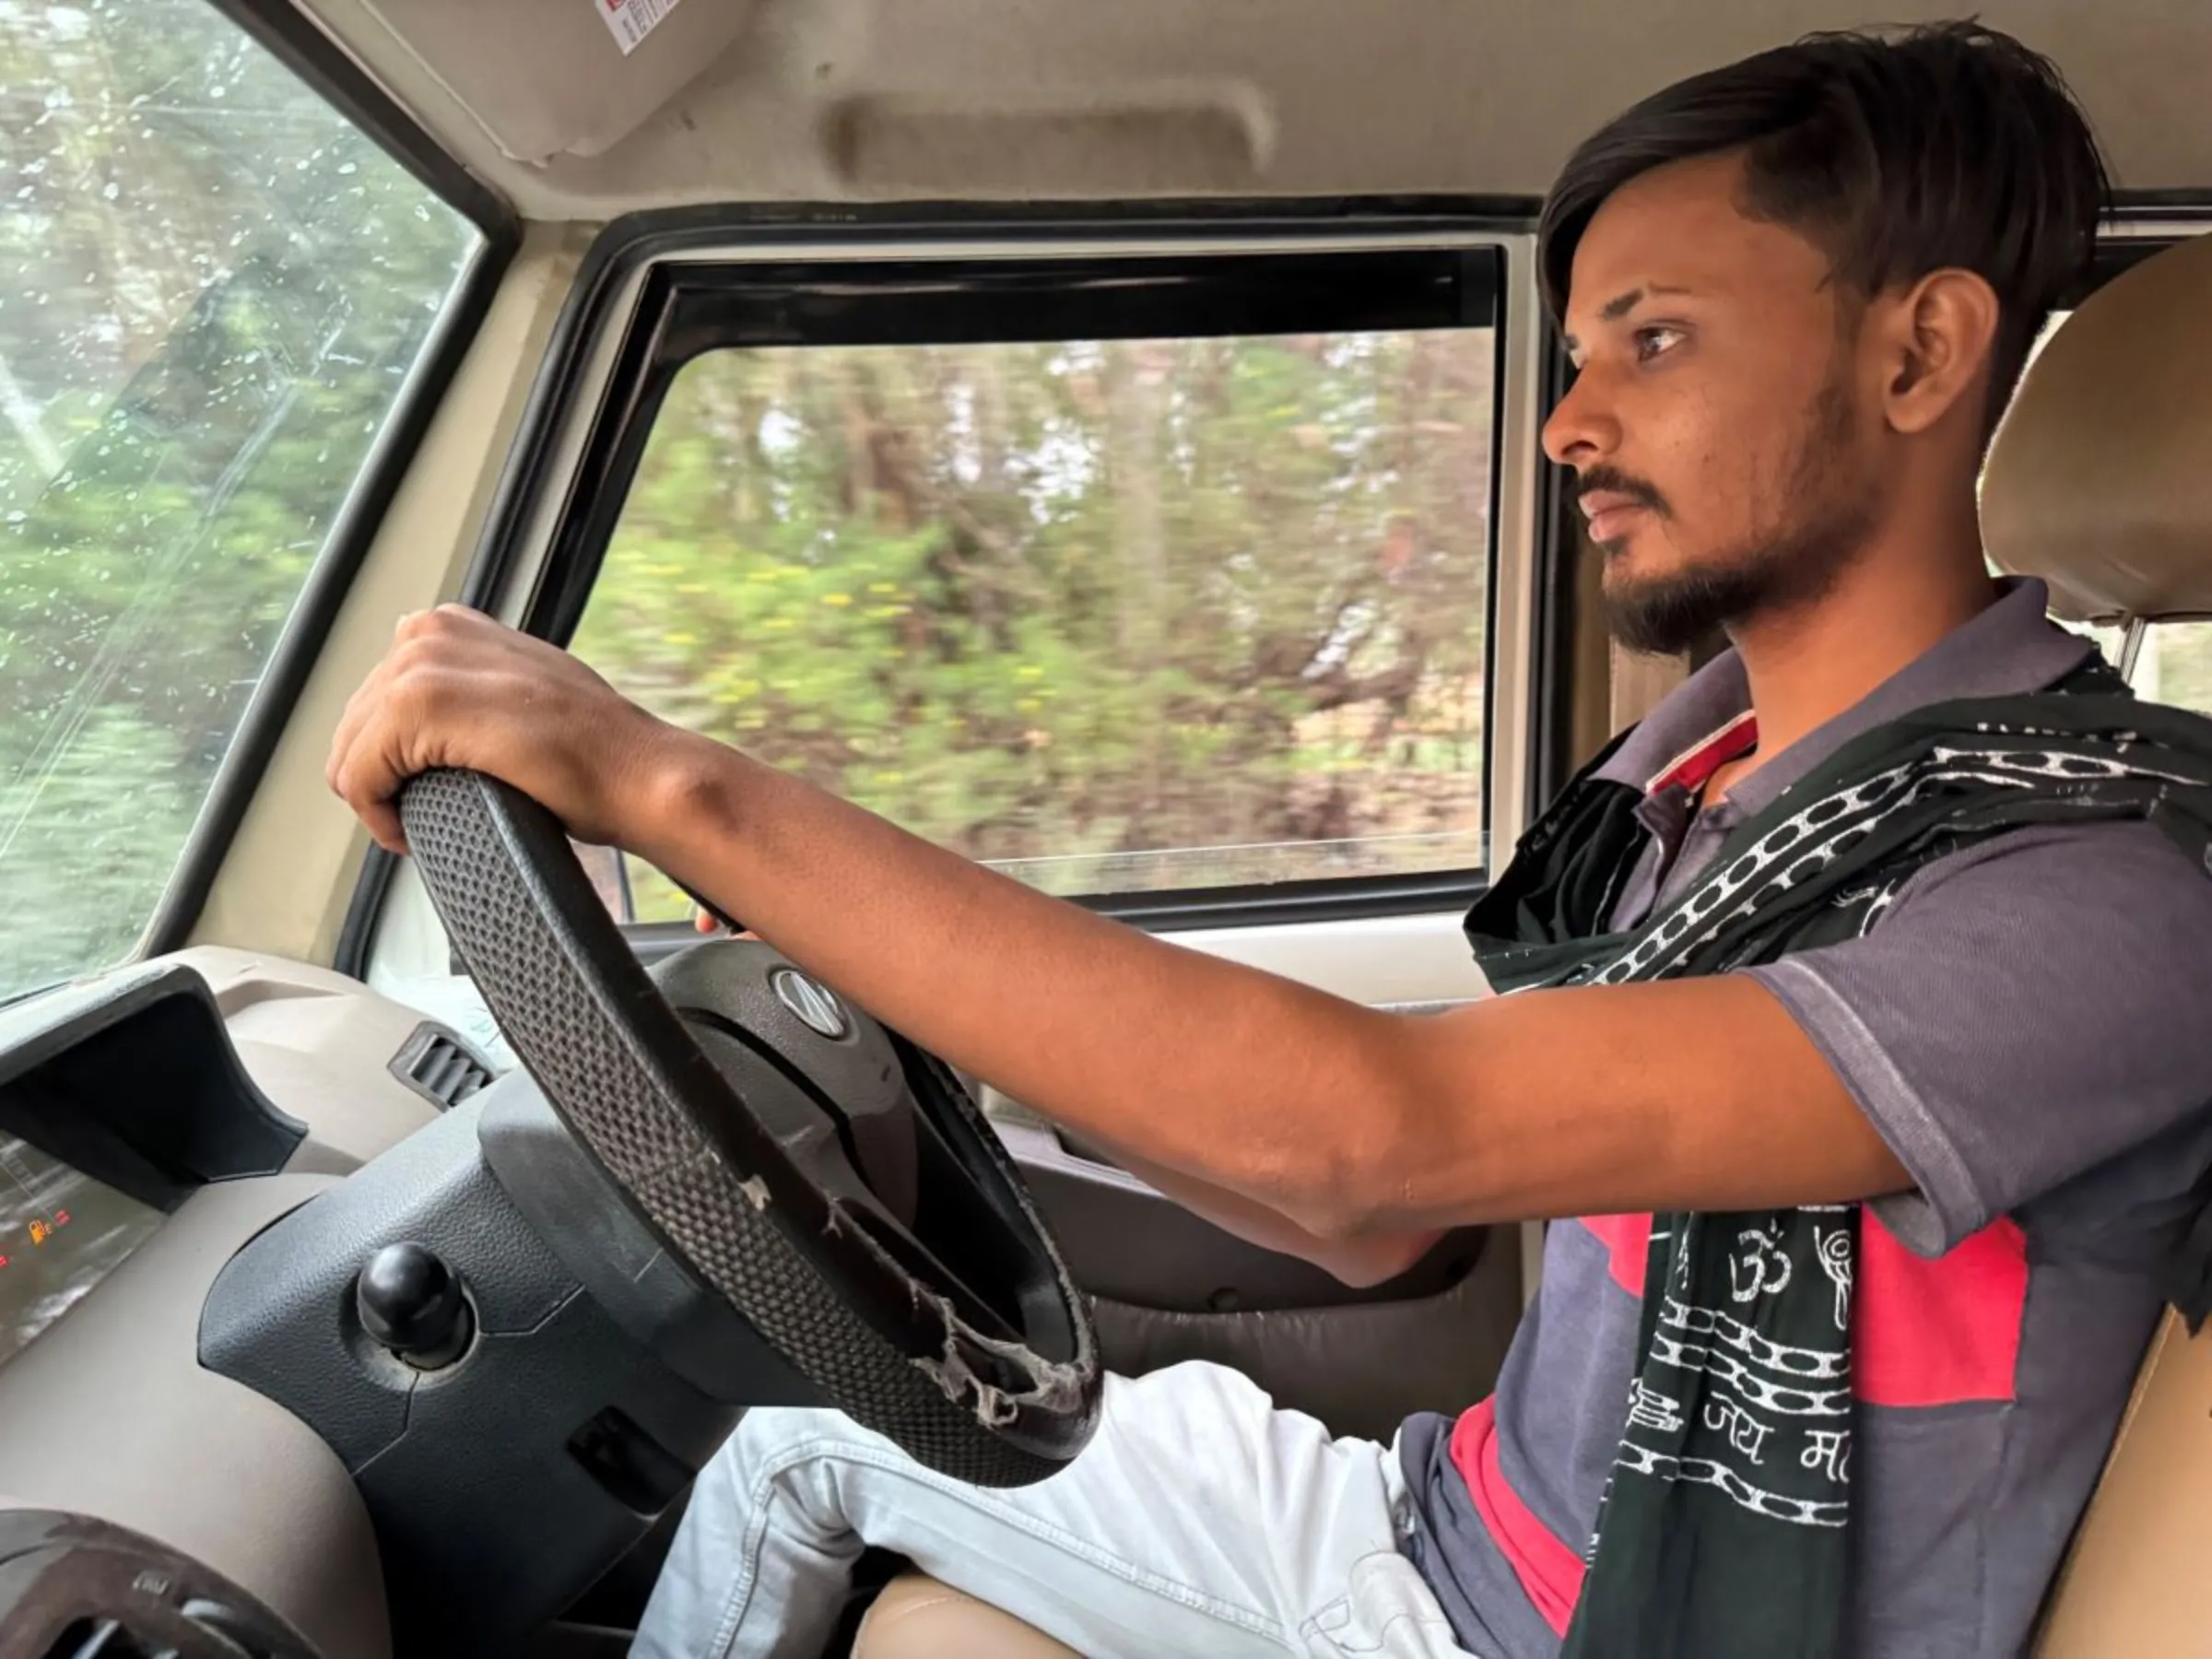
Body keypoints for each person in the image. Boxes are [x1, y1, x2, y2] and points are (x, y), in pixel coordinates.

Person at [328, 22, 2212, 1659]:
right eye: (1573, 356)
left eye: (1653, 342)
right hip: (1457, 1524)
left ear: (1920, 356)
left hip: (1560, 1623)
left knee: (788, 1440)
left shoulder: (2101, 890)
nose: (1568, 425)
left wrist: (675, 790)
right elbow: (1378, 1215)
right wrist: (945, 1036)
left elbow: (1385, 1129)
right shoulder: (1713, 797)